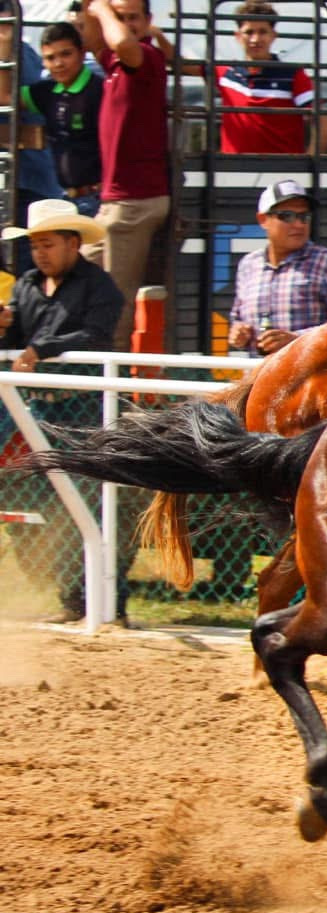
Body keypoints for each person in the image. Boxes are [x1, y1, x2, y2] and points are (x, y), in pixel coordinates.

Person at [0, 198, 136, 623]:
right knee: (56, 503)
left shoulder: (100, 287)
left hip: (87, 409)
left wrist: (39, 349)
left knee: (94, 502)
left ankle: (107, 602)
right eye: (35, 245)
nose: (40, 253)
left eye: (48, 244)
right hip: (39, 410)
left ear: (73, 244)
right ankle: (72, 599)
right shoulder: (26, 285)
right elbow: (18, 339)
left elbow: (96, 336)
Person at [78, 0, 170, 353]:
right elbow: (94, 39)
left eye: (133, 17)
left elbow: (121, 42)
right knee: (80, 281)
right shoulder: (115, 62)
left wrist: (104, 9)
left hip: (135, 201)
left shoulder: (147, 56)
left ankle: (110, 376)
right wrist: (92, 8)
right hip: (114, 201)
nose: (126, 24)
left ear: (148, 22)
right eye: (121, 17)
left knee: (116, 300)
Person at [227, 179, 327, 356]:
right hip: (258, 370)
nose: (299, 224)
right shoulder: (249, 264)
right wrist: (239, 332)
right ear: (263, 219)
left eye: (304, 216)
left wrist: (297, 339)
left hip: (310, 372)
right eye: (287, 216)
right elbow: (237, 317)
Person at [0, 22, 105, 218]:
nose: (58, 63)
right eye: (50, 58)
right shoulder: (47, 92)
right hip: (66, 198)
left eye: (66, 54)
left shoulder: (100, 90)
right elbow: (5, 97)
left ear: (82, 53)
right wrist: (5, 44)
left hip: (99, 197)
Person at [212, 0, 327, 155]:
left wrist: (304, 165)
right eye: (249, 32)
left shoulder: (293, 75)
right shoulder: (225, 72)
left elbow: (326, 129)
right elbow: (184, 64)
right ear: (238, 36)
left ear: (273, 35)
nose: (255, 39)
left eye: (262, 32)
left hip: (280, 167)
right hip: (232, 167)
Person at [0, 3, 64, 275]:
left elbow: (10, 100)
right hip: (23, 179)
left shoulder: (20, 54)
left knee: (26, 268)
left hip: (28, 180)